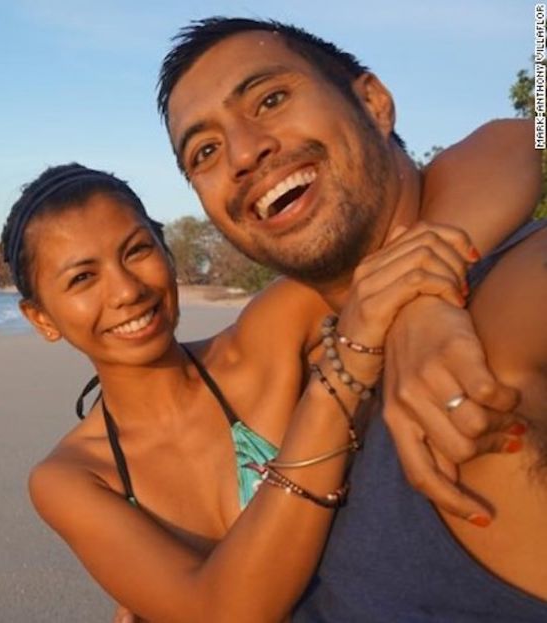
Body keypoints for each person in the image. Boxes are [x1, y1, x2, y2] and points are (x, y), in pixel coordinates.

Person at [8, 150, 532, 621]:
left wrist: (422, 308)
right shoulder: (74, 479)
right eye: (82, 279)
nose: (125, 290)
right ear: (42, 319)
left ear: (166, 253)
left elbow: (507, 150)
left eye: (136, 250)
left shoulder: (270, 335)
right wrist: (341, 379)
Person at [152, 16, 547, 621]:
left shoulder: (504, 307)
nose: (242, 152)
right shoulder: (298, 342)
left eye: (272, 98)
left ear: (373, 102)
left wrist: (429, 296)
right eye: (204, 151)